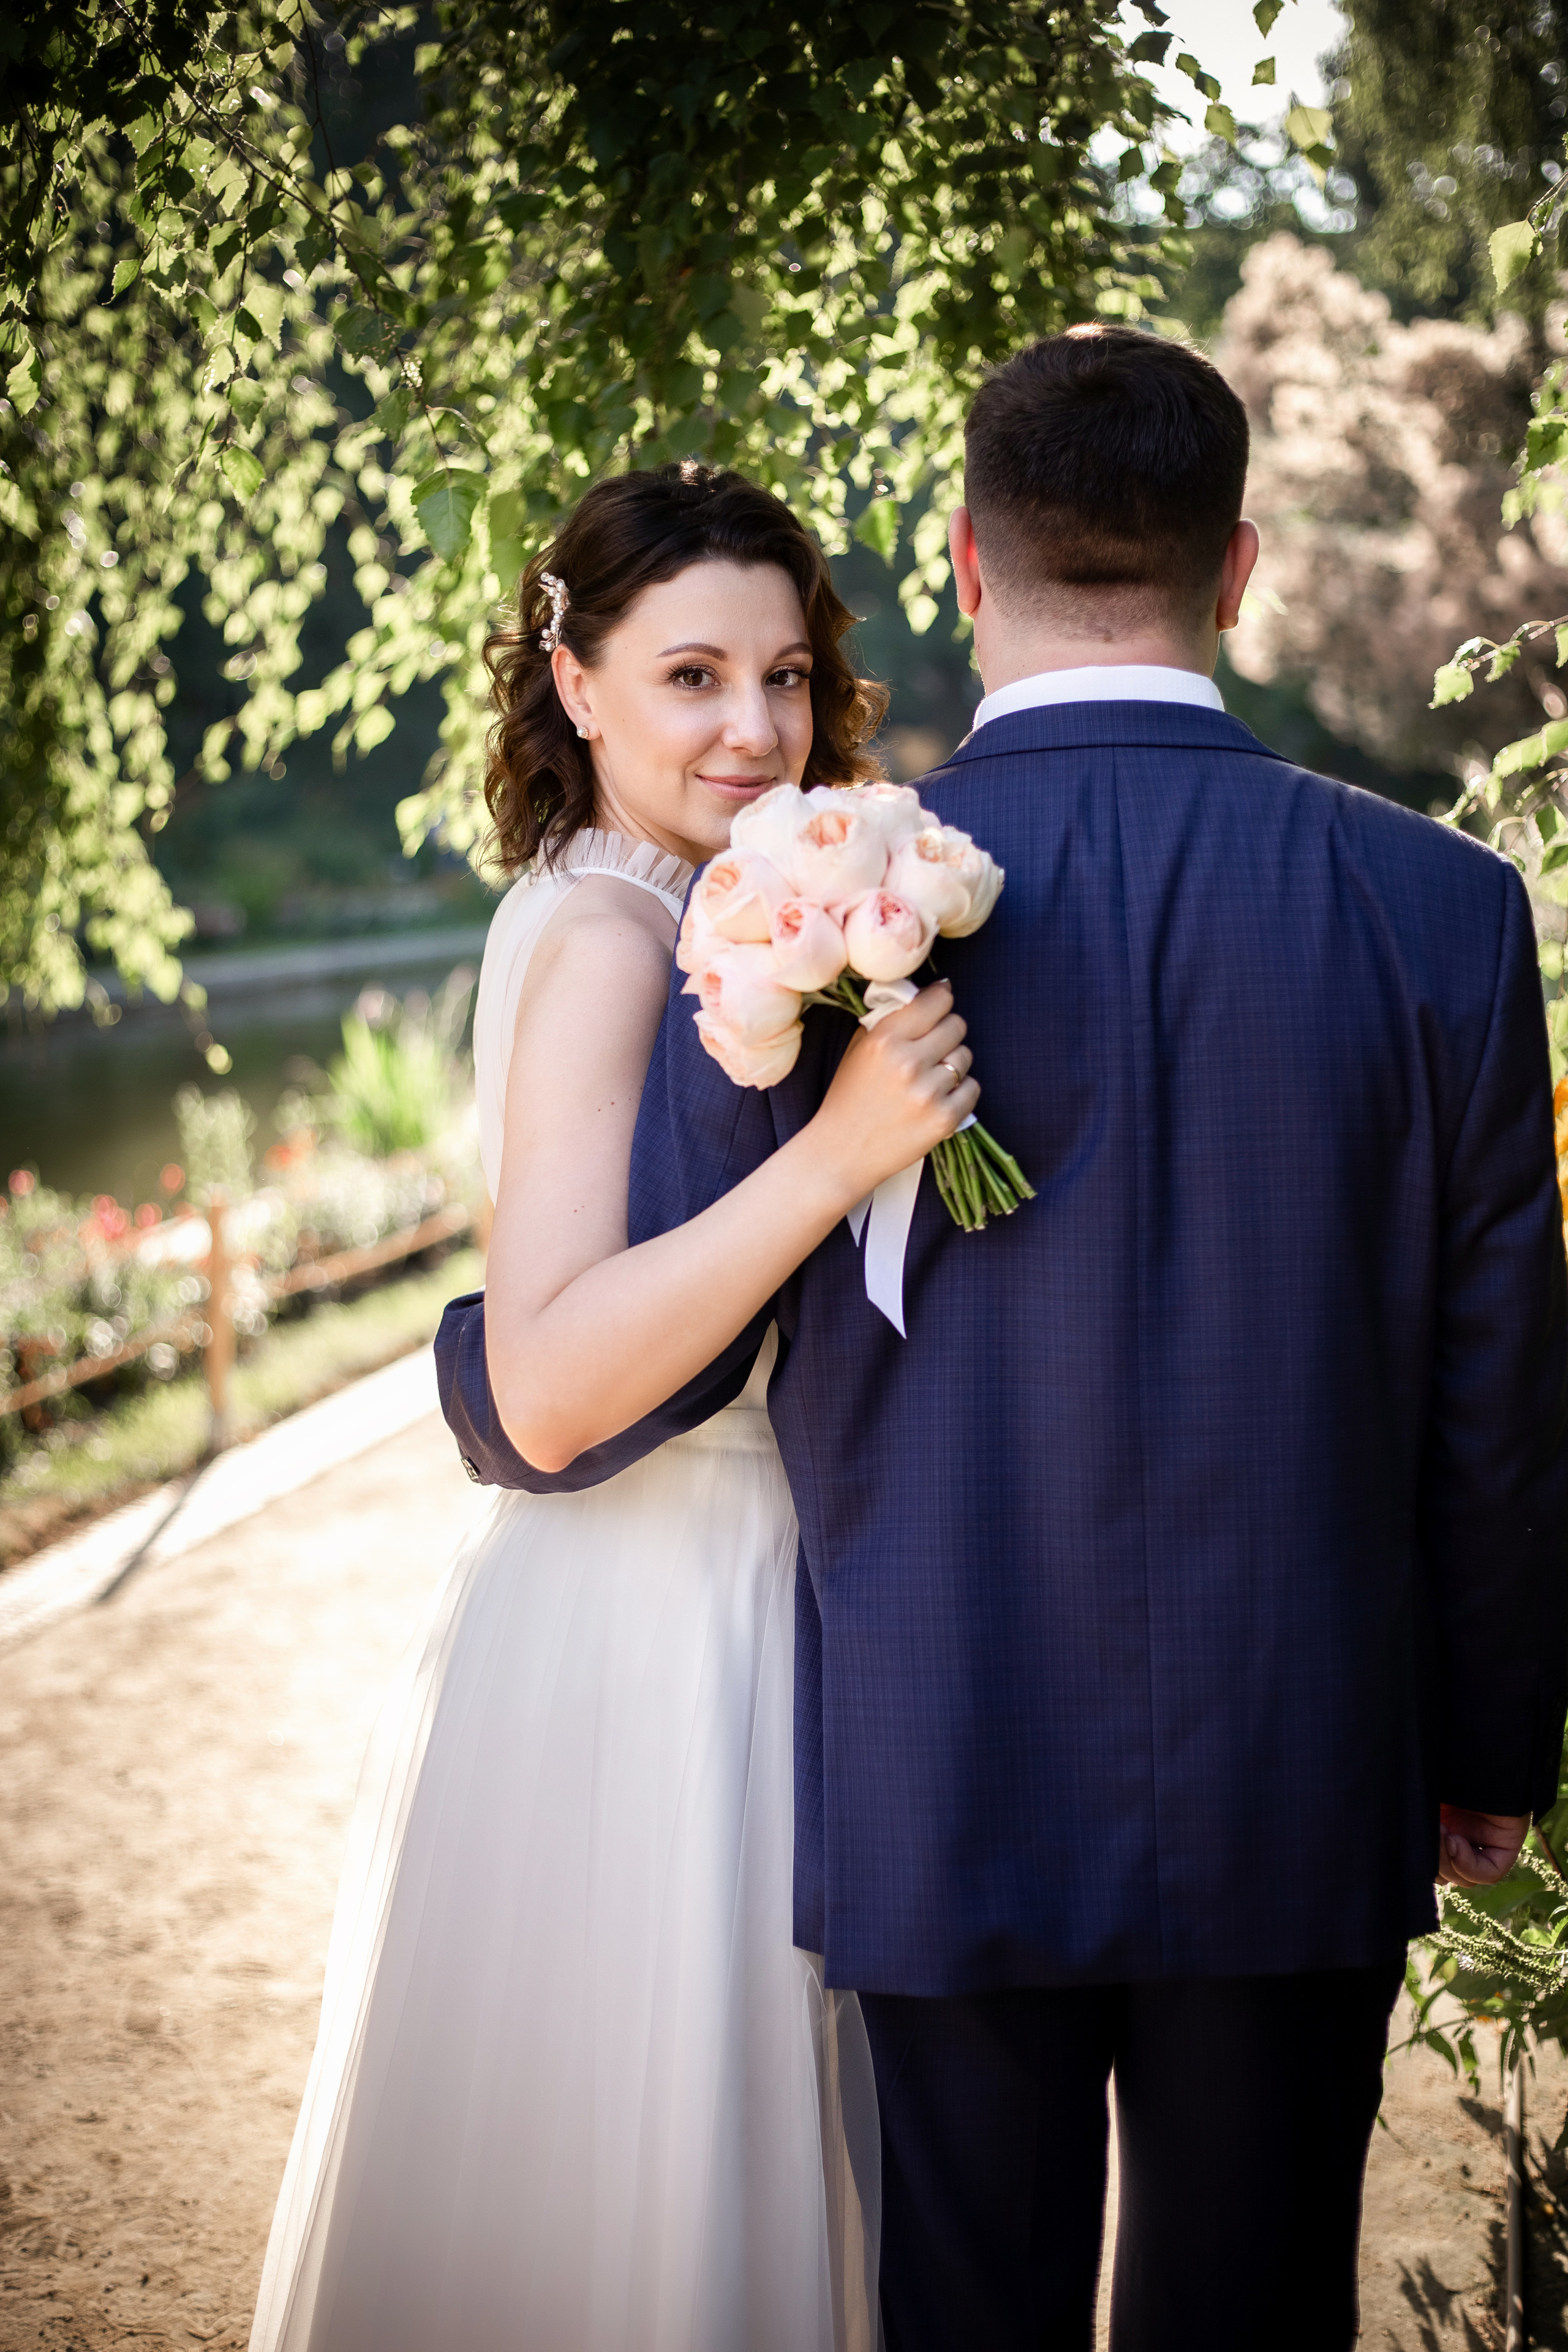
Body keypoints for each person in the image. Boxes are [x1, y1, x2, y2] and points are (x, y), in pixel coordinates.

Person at [441, 328, 1568, 2351]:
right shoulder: (1445, 909)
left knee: (970, 2307)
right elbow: (1500, 1402)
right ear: (1241, 571)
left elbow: (650, 1368)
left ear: (966, 566)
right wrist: (1489, 1749)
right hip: (1301, 1761)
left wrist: (474, 1372)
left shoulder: (800, 904)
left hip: (939, 1759)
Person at [249, 462, 979, 2352]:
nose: (756, 728)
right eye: (692, 678)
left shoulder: (698, 906)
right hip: (654, 1625)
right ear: (575, 683)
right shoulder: (598, 938)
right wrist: (841, 1152)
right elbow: (552, 1388)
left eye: (786, 676)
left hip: (750, 1586)